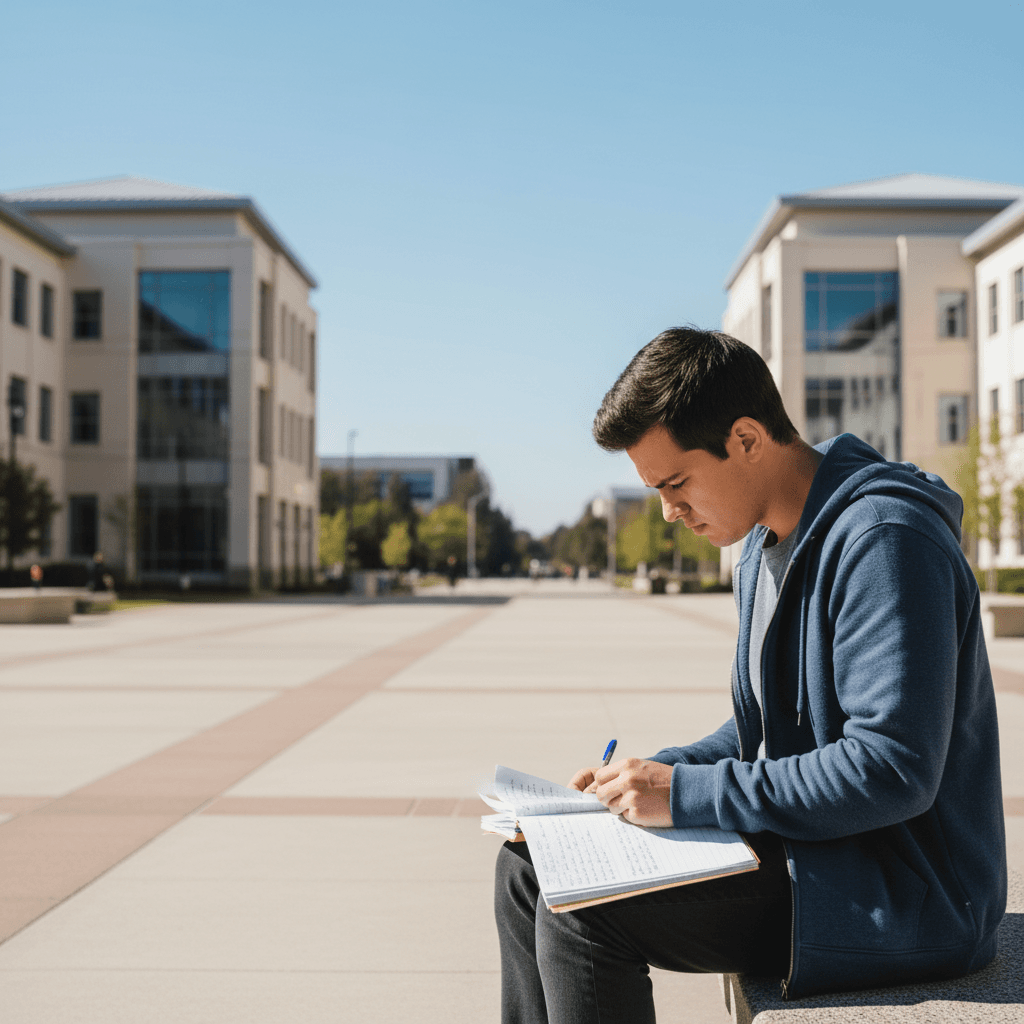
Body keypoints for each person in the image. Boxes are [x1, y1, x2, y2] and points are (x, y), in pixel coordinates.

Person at [494, 328, 1006, 1023]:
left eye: (675, 484)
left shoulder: (886, 540)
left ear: (745, 439)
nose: (670, 512)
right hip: (815, 855)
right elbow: (760, 726)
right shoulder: (763, 546)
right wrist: (649, 776)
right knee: (526, 873)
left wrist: (686, 792)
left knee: (586, 912)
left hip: (905, 892)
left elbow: (892, 769)